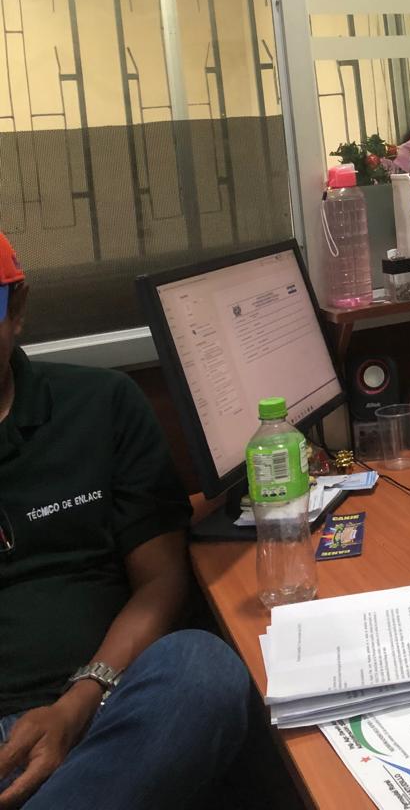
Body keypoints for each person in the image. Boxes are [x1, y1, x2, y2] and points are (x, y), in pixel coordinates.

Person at [0, 233, 256, 809]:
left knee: (202, 667)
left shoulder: (102, 405)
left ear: (16, 310)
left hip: (108, 707)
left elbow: (161, 579)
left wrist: (76, 704)